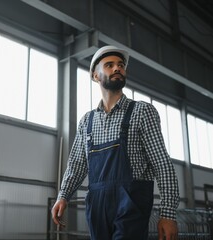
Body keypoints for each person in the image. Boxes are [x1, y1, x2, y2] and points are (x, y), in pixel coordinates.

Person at [51, 45, 179, 240]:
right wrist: (63, 195)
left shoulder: (143, 112)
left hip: (132, 201)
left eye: (120, 65)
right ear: (95, 75)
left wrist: (168, 214)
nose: (117, 68)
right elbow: (77, 163)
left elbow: (162, 163)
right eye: (109, 65)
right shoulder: (87, 121)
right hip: (97, 203)